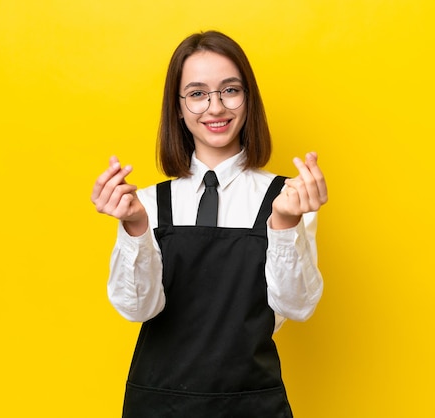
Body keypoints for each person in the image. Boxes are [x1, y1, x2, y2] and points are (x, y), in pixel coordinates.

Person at [91, 30, 327, 418]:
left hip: (253, 404)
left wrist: (284, 224)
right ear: (178, 109)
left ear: (248, 100)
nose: (215, 107)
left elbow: (297, 307)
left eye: (230, 90)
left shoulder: (288, 199)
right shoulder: (147, 203)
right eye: (198, 94)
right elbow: (137, 308)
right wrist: (135, 227)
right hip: (159, 404)